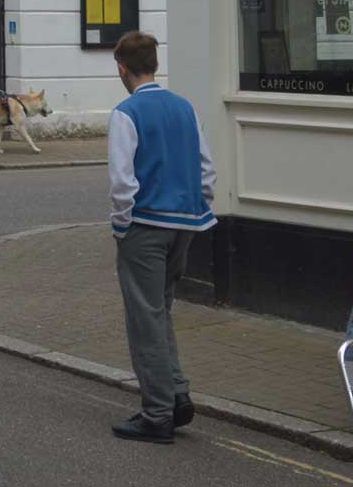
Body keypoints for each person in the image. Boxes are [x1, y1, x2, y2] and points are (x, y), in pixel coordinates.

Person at [107, 30, 212, 445]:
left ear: (122, 68)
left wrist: (121, 224)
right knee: (161, 310)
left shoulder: (126, 112)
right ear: (154, 63)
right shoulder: (185, 108)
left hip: (145, 225)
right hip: (186, 224)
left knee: (144, 319)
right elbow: (207, 169)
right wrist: (199, 207)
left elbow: (121, 180)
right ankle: (177, 396)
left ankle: (157, 414)